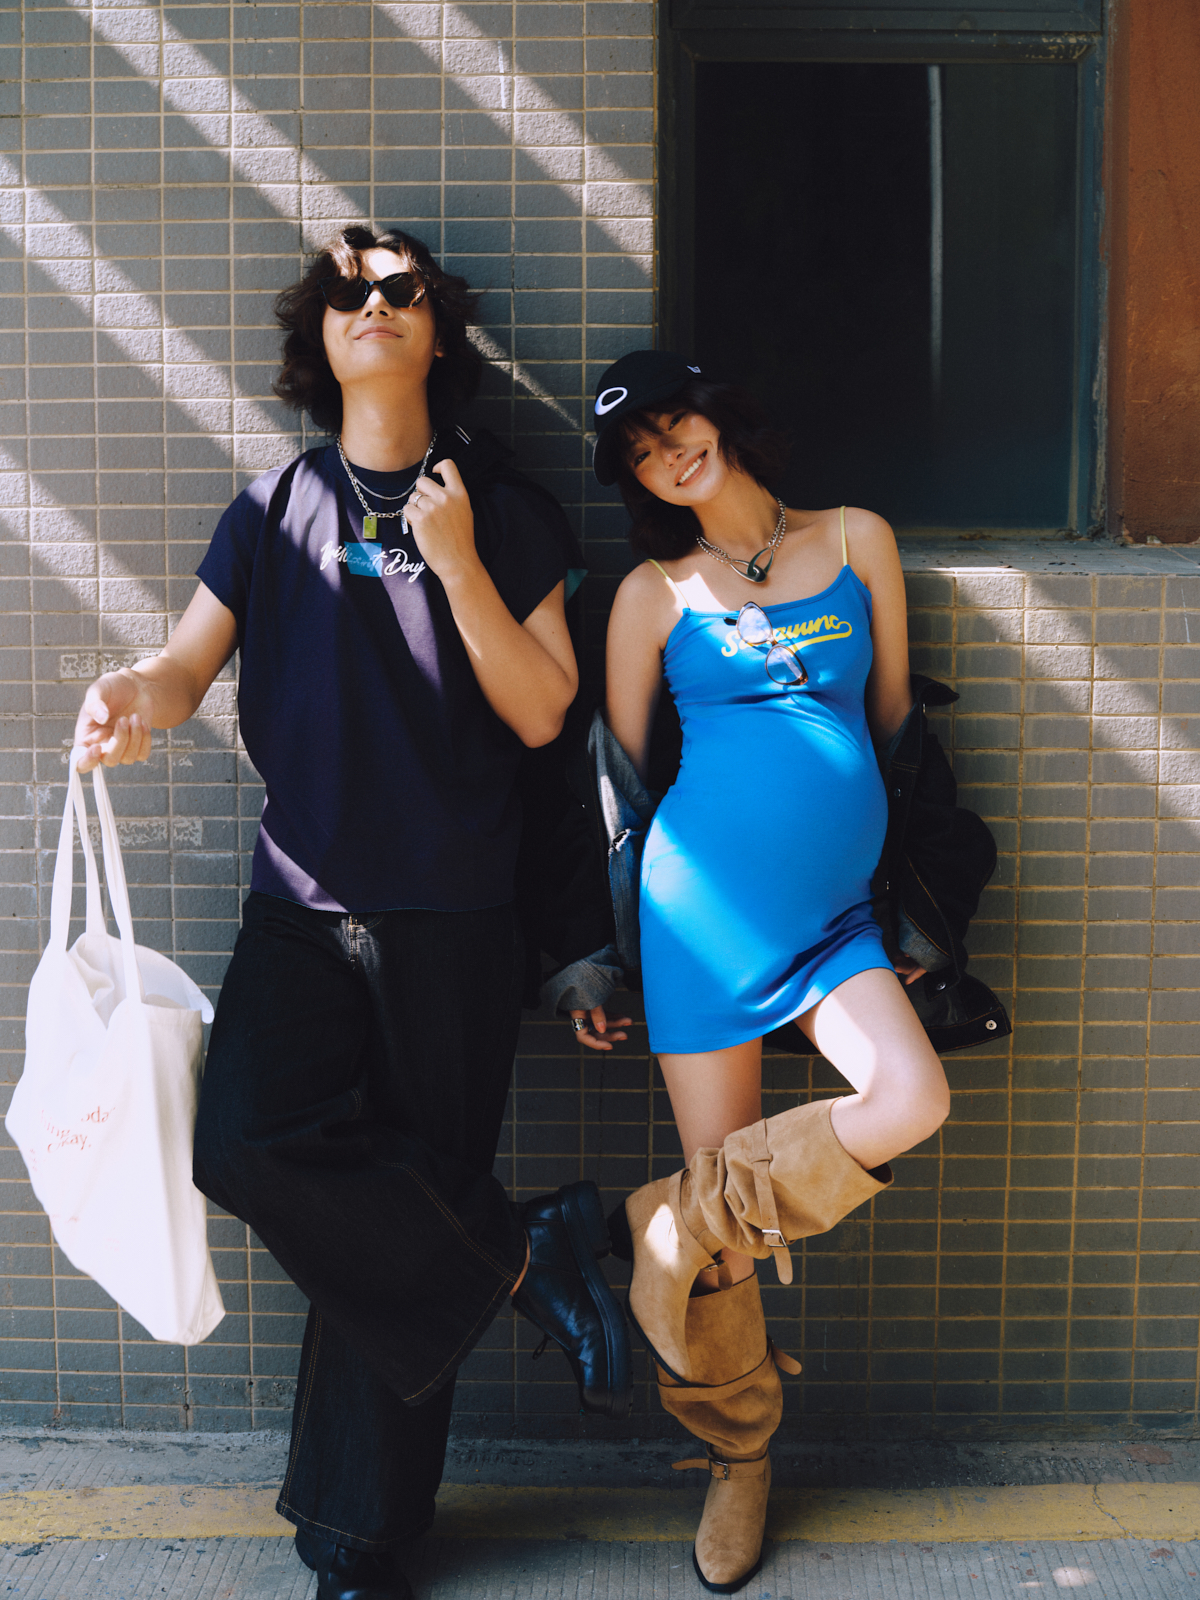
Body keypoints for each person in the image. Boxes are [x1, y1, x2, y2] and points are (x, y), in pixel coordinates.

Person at [72, 226, 630, 1600]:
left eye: (399, 289)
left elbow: (544, 710)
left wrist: (455, 560)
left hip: (455, 918)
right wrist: (134, 697)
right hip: (303, 906)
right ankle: (523, 1252)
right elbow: (187, 665)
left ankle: (359, 1546)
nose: (372, 303)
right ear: (318, 336)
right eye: (345, 291)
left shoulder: (506, 510)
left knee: (399, 1215)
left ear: (438, 328)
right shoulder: (274, 509)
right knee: (246, 1141)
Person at [577, 350, 952, 1594]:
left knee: (912, 1096)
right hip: (698, 919)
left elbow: (893, 726)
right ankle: (739, 1459)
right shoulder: (651, 594)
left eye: (672, 421)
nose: (666, 452)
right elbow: (617, 787)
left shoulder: (856, 539)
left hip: (839, 919)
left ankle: (670, 1219)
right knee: (730, 1253)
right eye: (639, 453)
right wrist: (602, 962)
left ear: (717, 413)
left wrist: (922, 906)